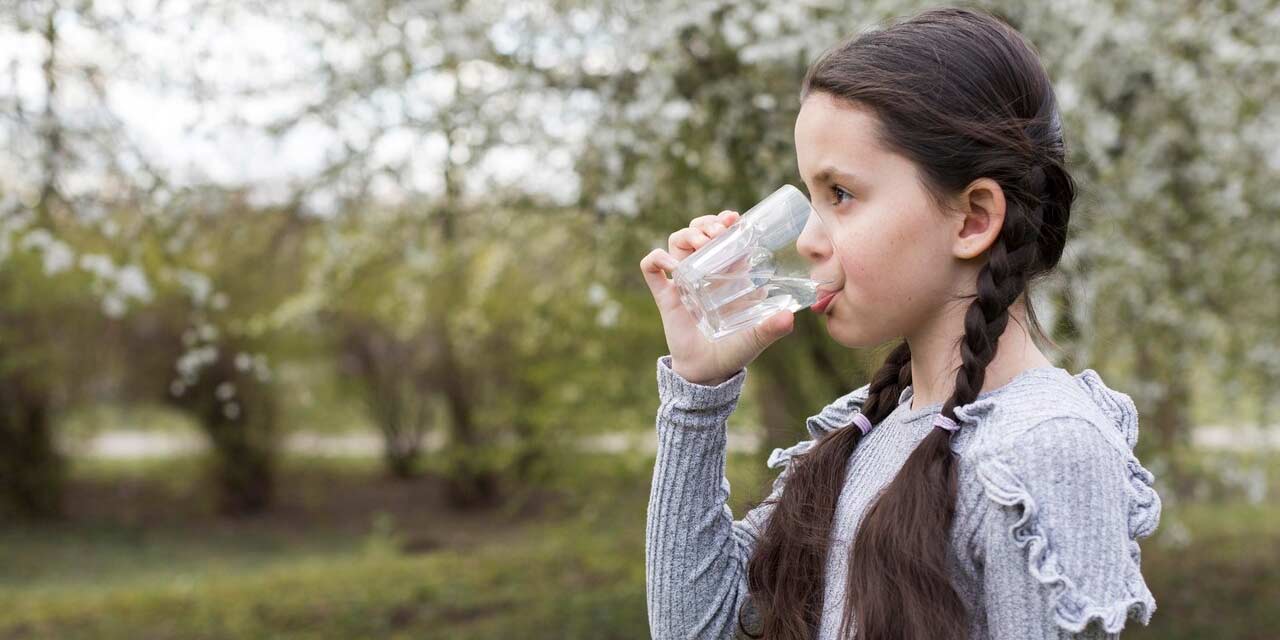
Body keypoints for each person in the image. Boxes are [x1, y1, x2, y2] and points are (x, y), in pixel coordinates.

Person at [637, 7, 1162, 640]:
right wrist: (698, 393)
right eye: (810, 193)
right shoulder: (871, 425)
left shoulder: (1042, 447)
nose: (806, 239)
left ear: (972, 219)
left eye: (841, 195)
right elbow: (699, 627)